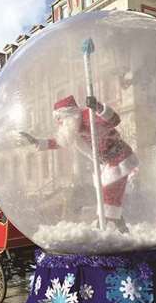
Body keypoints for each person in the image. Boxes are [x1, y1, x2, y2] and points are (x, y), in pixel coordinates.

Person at [20, 95, 138, 232]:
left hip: (119, 159)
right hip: (106, 165)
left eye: (60, 118)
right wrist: (37, 142)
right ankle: (121, 229)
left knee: (108, 198)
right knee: (108, 199)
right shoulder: (73, 128)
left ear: (69, 115)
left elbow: (115, 120)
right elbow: (59, 142)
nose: (59, 122)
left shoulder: (89, 116)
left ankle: (103, 229)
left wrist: (98, 107)